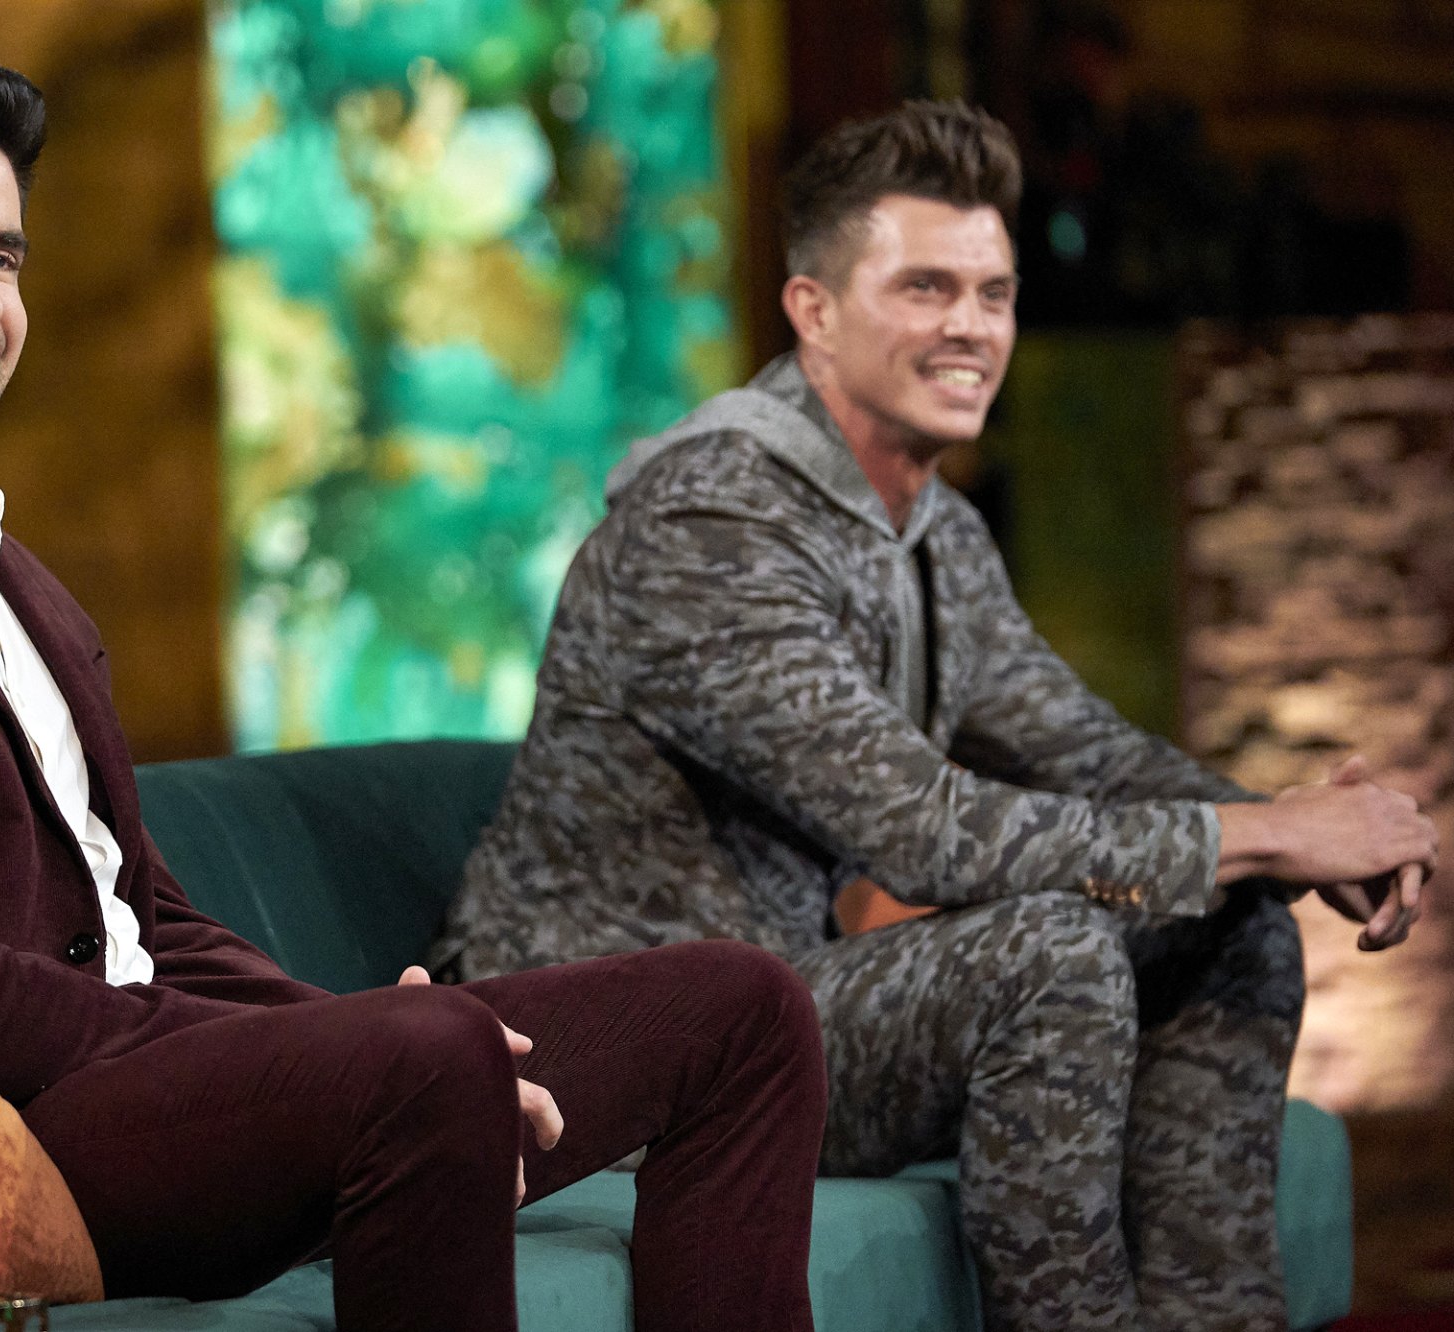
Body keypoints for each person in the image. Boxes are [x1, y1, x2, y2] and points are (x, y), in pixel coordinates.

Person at [0, 46, 826, 1332]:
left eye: (2, 256)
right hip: (5, 1130)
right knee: (427, 1053)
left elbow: (145, 917)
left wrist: (339, 1035)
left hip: (163, 1089)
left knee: (740, 1011)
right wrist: (350, 1059)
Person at [433, 101, 1438, 1332]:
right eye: (924, 287)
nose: (970, 325)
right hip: (608, 1058)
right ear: (812, 311)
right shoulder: (709, 523)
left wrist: (1302, 832)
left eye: (992, 293)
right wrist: (1274, 836)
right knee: (1048, 953)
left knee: (1233, 928)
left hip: (777, 1013)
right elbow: (923, 832)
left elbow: (1086, 750)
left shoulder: (932, 533)